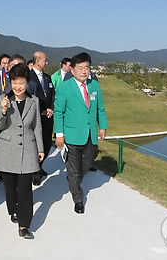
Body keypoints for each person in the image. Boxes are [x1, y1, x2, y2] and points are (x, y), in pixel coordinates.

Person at [0, 63, 44, 239]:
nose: (18, 87)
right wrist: (4, 110)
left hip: (28, 150)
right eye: (14, 83)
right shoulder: (2, 99)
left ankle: (24, 225)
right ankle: (13, 209)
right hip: (7, 150)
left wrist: (41, 148)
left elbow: (37, 126)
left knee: (25, 190)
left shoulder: (34, 101)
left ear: (27, 83)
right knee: (10, 188)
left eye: (21, 83)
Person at [54, 52, 108, 214]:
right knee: (74, 170)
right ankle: (77, 198)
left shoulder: (94, 86)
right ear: (72, 70)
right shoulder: (64, 87)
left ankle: (73, 179)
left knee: (85, 166)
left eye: (87, 67)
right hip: (71, 135)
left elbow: (100, 108)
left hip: (90, 134)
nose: (84, 71)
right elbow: (58, 112)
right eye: (80, 68)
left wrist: (102, 126)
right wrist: (59, 134)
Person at [0, 54, 25, 181]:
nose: (6, 66)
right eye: (4, 63)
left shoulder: (20, 82)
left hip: (14, 120)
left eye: (9, 63)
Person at [27, 51, 54, 185]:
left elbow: (52, 95)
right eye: (45, 60)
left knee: (47, 143)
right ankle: (35, 172)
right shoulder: (29, 78)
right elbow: (29, 98)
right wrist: (41, 110)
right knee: (37, 145)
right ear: (37, 61)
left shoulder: (48, 78)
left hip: (48, 117)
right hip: (36, 117)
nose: (47, 63)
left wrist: (51, 109)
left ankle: (40, 166)